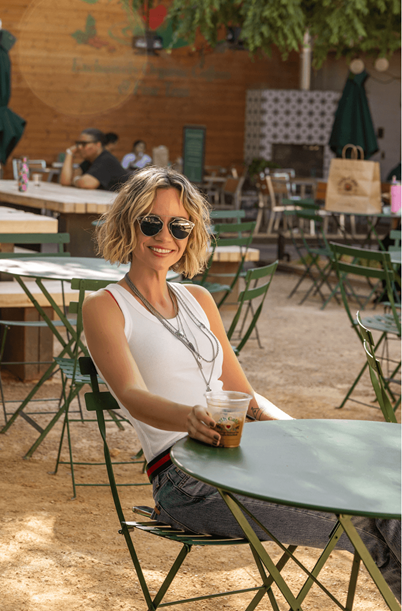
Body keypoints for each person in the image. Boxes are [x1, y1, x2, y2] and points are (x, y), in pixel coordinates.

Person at [83, 167, 400, 600]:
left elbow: (243, 395)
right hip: (183, 480)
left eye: (179, 225)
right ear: (128, 223)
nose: (165, 236)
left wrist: (300, 431)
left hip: (245, 458)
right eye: (151, 222)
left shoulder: (199, 300)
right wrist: (189, 417)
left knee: (385, 500)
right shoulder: (106, 306)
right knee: (370, 524)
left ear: (191, 233)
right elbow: (133, 397)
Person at [59, 128, 128, 191]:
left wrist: (75, 179)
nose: (79, 147)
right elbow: (65, 181)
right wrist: (69, 153)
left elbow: (86, 183)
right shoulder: (89, 160)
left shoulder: (106, 159)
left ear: (98, 145)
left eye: (84, 144)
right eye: (78, 143)